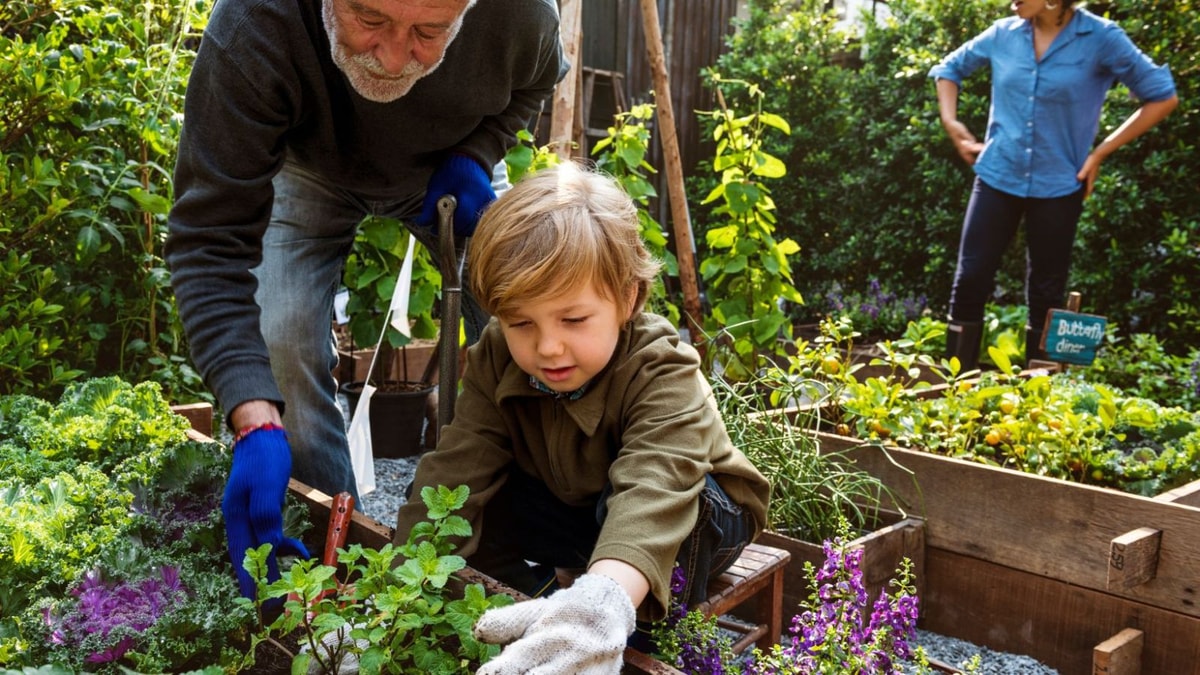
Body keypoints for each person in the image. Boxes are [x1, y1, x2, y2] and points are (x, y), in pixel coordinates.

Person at [163, 0, 567, 599]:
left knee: (543, 306)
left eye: (429, 32)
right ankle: (339, 561)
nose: (393, 55)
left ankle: (529, 532)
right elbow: (209, 240)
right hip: (310, 168)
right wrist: (251, 414)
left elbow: (534, 83)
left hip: (448, 165)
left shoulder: (522, 12)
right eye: (370, 19)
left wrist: (476, 154)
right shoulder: (253, 26)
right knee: (282, 341)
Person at [392, 161, 771, 673]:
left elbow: (655, 485)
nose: (548, 347)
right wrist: (393, 589)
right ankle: (543, 612)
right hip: (578, 505)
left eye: (573, 319)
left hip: (693, 515)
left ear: (628, 298)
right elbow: (455, 468)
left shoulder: (662, 367)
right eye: (521, 322)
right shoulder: (496, 357)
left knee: (666, 508)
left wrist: (605, 600)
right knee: (475, 501)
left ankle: (616, 624)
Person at [930, 0, 1177, 369]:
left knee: (1047, 294)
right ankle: (951, 394)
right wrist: (951, 123)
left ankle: (1037, 404)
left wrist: (1101, 152)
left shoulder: (1100, 38)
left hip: (1060, 183)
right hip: (998, 174)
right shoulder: (1003, 33)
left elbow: (1162, 95)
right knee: (970, 280)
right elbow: (949, 69)